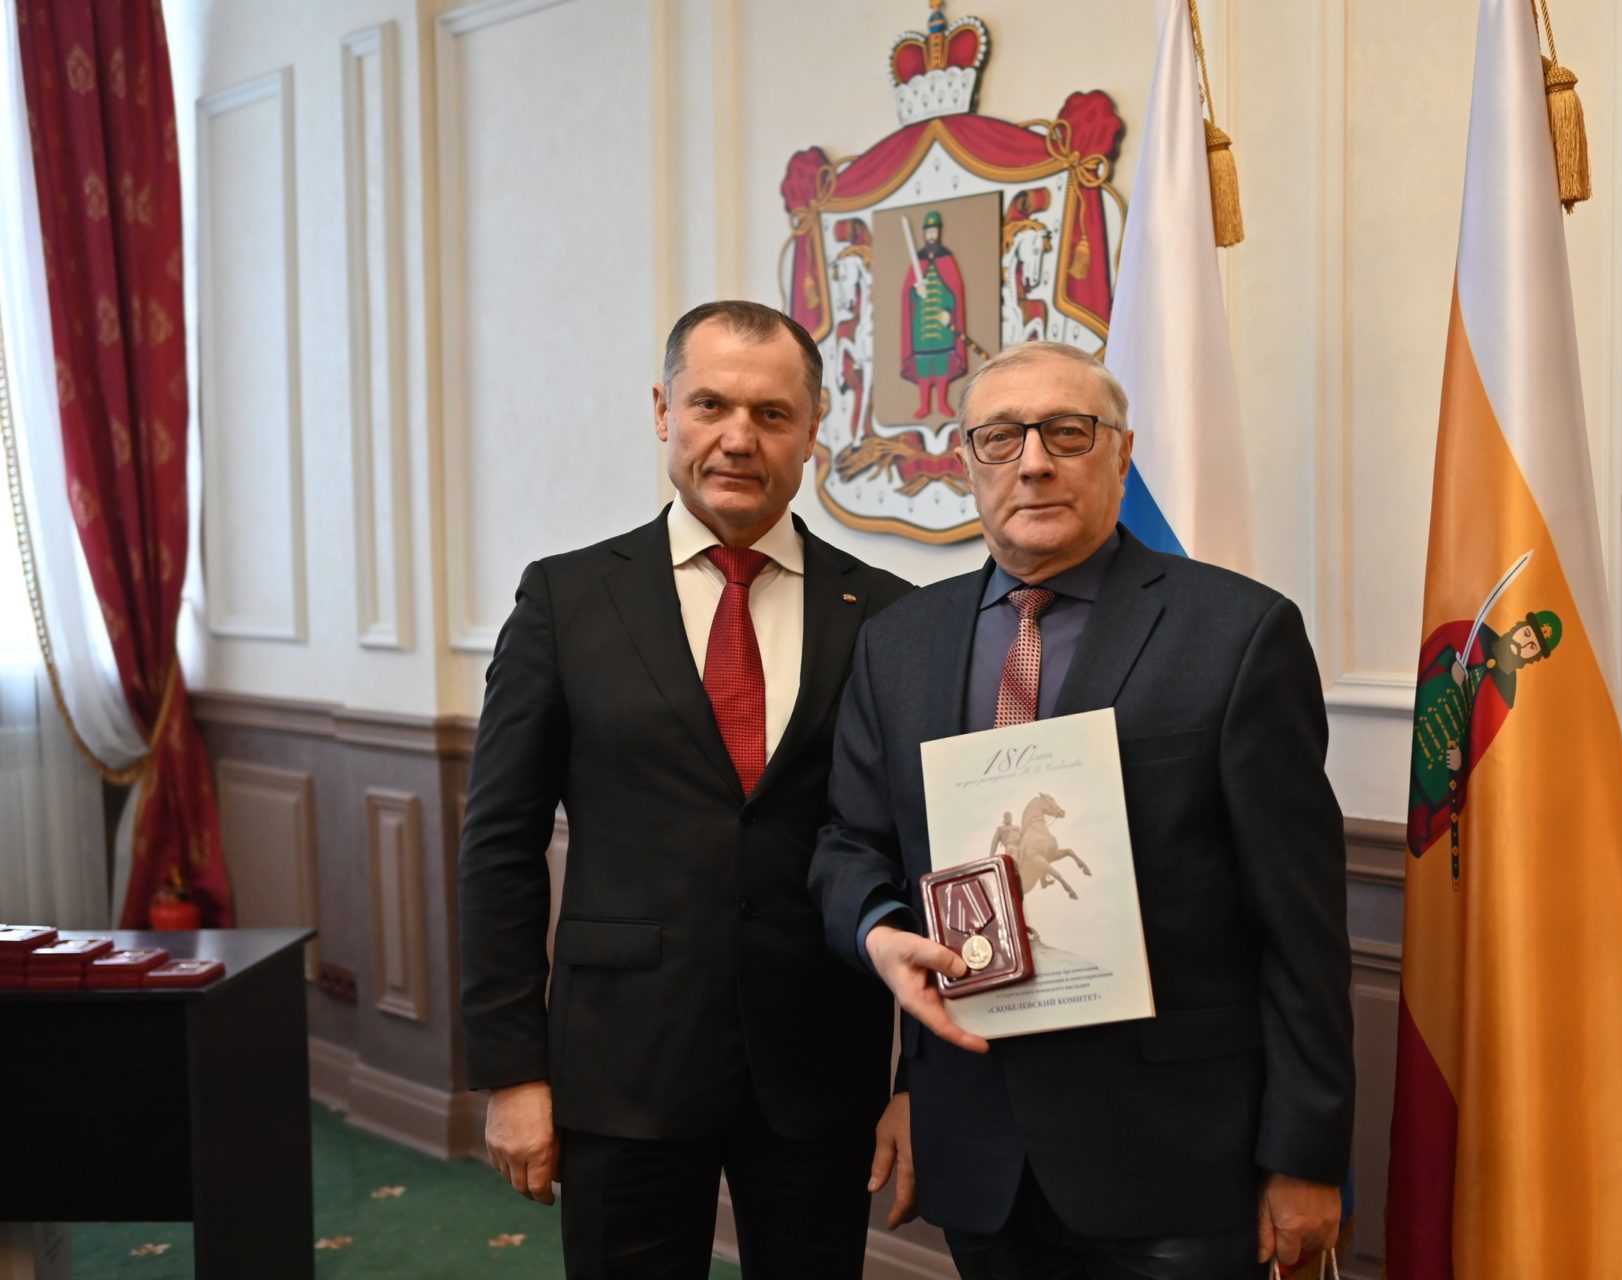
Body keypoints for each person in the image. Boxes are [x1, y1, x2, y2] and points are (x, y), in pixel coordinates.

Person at [809, 341, 1353, 1277]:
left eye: (1068, 432)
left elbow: (1299, 920)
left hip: (1176, 1155)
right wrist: (878, 938)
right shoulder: (898, 643)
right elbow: (850, 842)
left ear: (1122, 452)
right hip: (976, 1141)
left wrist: (1305, 1153)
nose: (1033, 462)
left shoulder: (1239, 632)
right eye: (1000, 437)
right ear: (967, 462)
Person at [458, 300, 917, 1279]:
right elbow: (499, 845)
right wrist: (512, 1070)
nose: (738, 438)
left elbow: (920, 855)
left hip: (820, 1067)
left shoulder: (885, 614)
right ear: (664, 411)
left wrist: (919, 1078)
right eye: (711, 405)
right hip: (622, 1062)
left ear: (814, 430)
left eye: (772, 413)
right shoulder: (565, 600)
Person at [901, 209, 968, 419]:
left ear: (938, 232)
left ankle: (942, 403)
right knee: (923, 367)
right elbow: (908, 295)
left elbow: (954, 290)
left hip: (941, 328)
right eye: (928, 231)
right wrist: (916, 292)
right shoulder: (918, 260)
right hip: (922, 329)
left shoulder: (946, 258)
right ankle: (924, 405)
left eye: (934, 231)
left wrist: (949, 313)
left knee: (941, 366)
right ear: (924, 233)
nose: (931, 235)